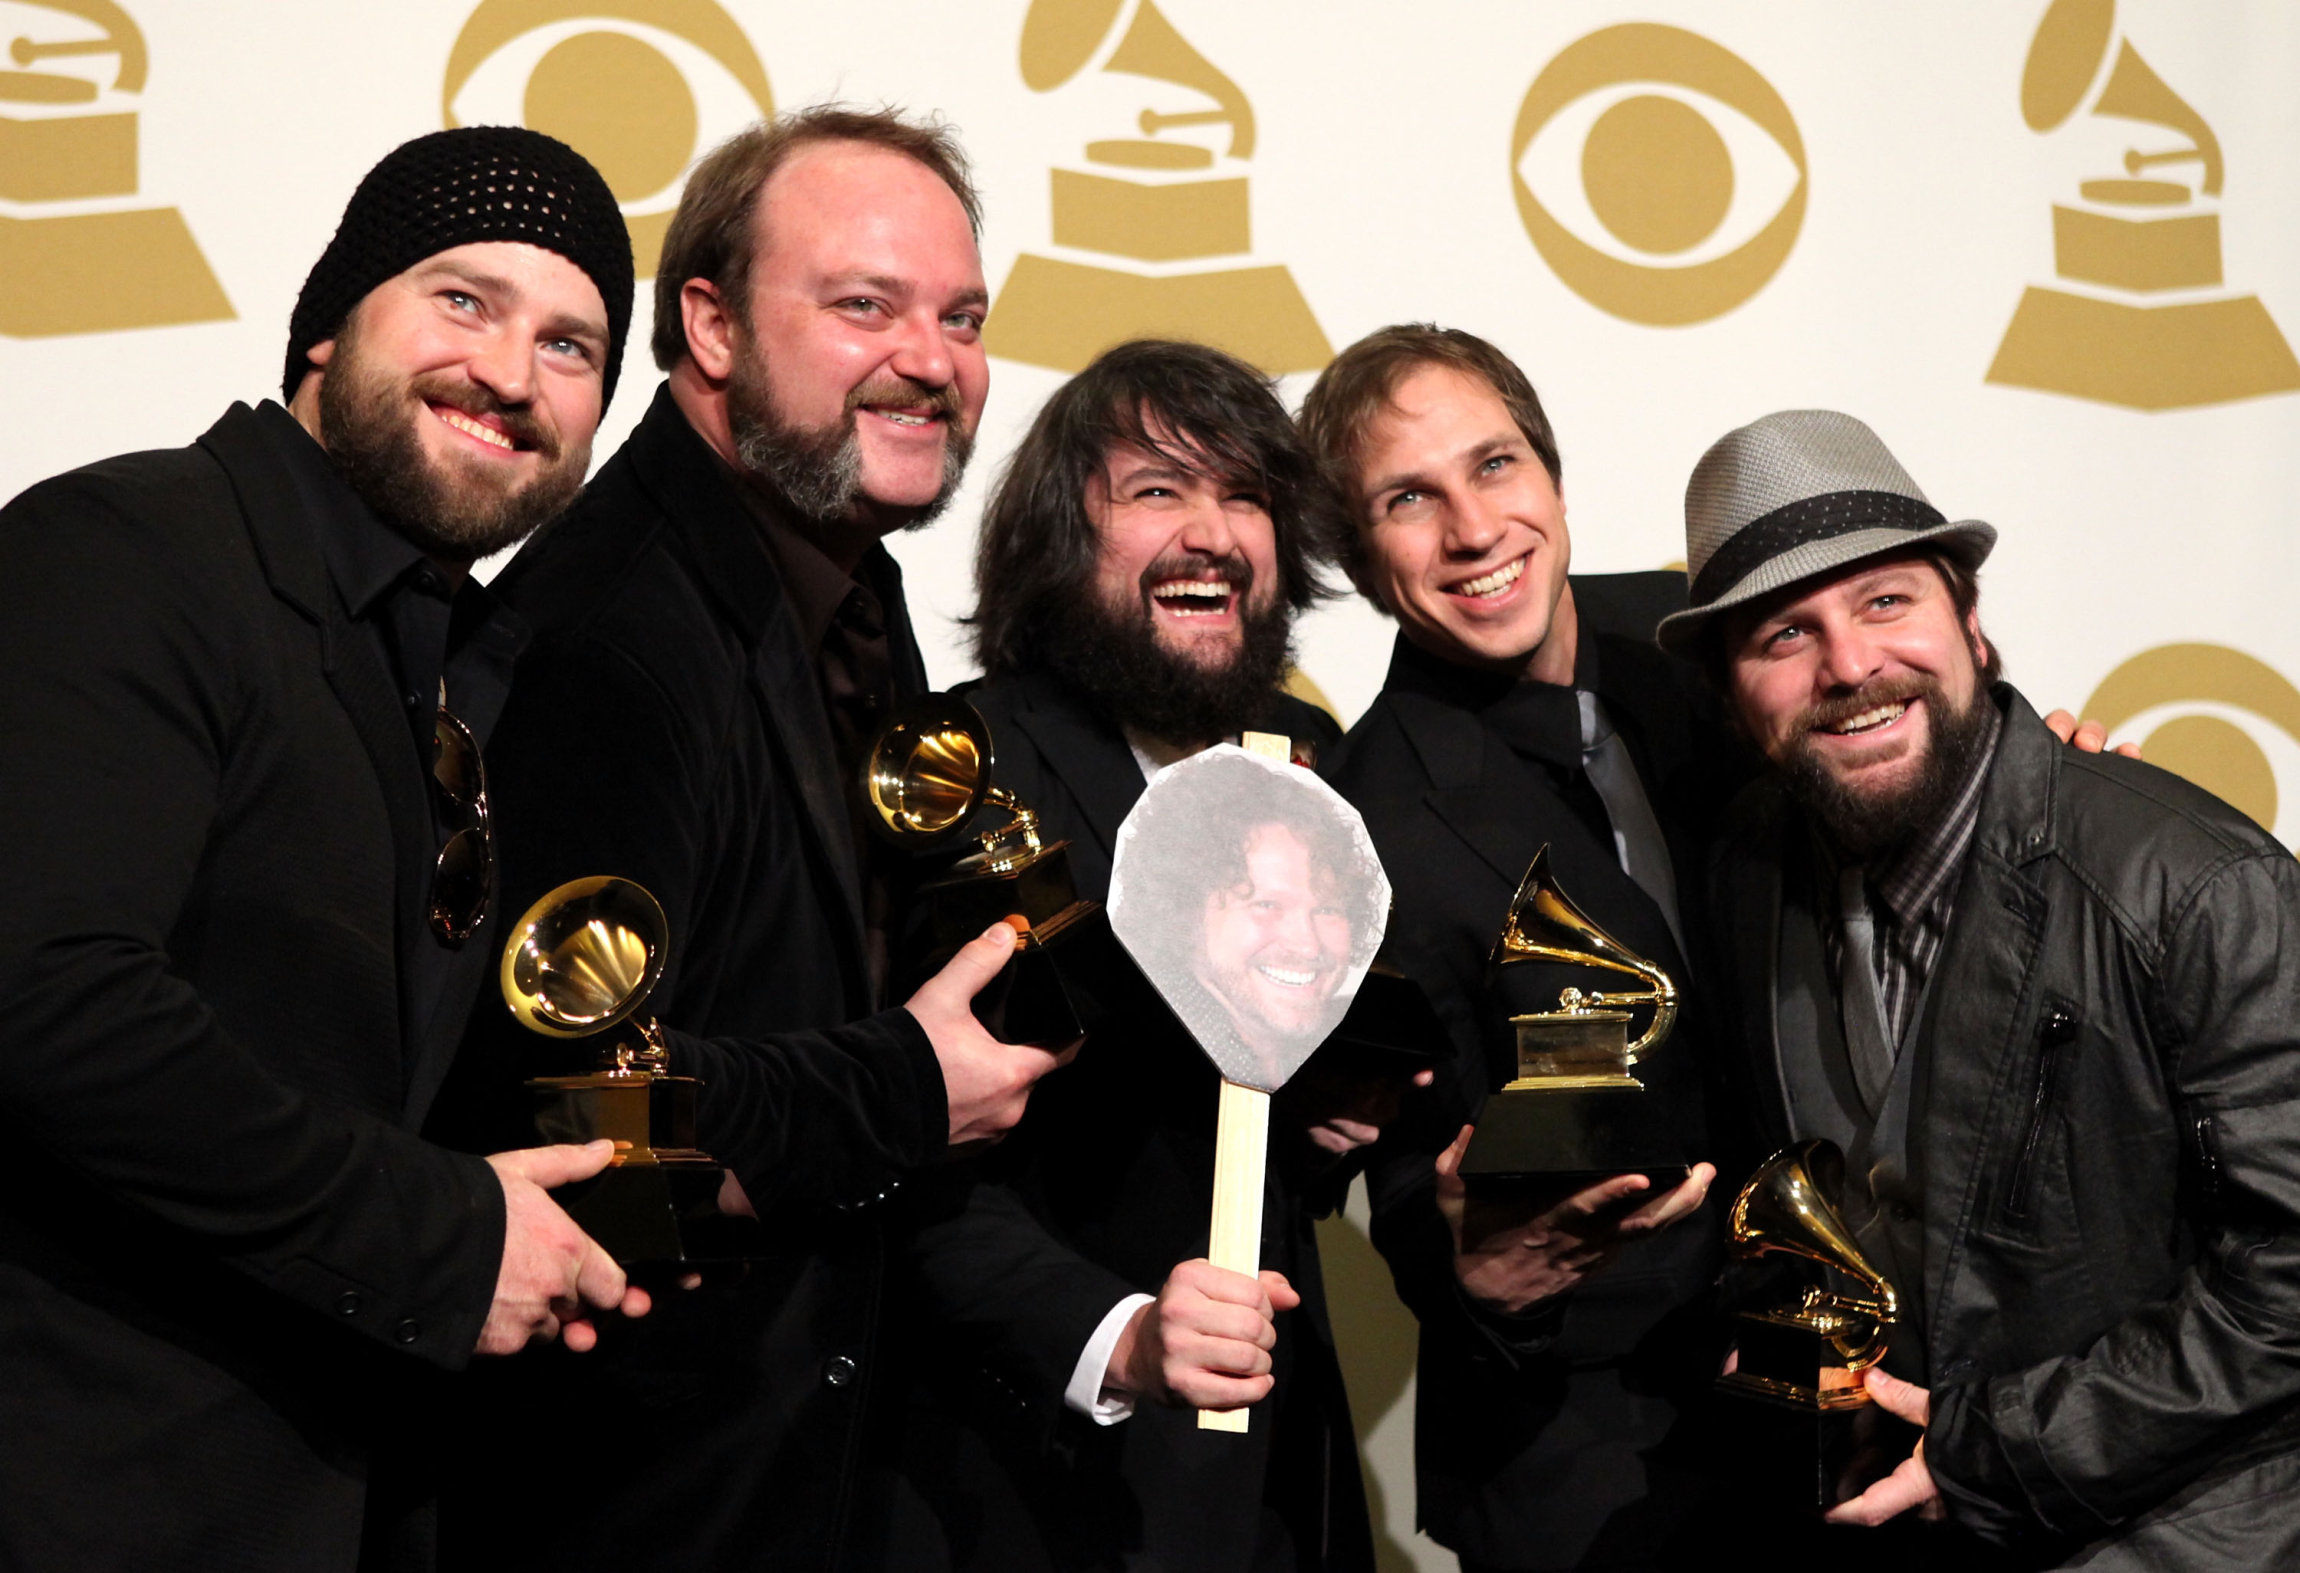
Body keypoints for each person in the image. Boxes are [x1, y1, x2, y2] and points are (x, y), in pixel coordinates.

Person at [429, 109, 1149, 1573]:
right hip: (636, 1499)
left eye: (960, 317)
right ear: (708, 323)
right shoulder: (611, 637)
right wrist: (902, 1085)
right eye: (863, 306)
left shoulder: (842, 581)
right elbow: (556, 1107)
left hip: (824, 1470)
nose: (932, 361)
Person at [0, 126, 648, 1571]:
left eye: (573, 346)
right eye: (462, 301)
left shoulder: (440, 669)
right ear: (323, 327)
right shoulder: (128, 549)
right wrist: (446, 1237)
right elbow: (45, 995)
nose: (510, 373)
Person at [1670, 409, 2300, 1568]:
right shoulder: (1744, 869)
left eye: (1884, 601)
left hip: (2180, 1537)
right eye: (1781, 633)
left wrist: (1998, 1449)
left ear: (1971, 621)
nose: (1849, 664)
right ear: (1729, 692)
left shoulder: (2192, 882)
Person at [873, 338, 1398, 1572]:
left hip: (1273, 1484)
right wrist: (1116, 1335)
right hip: (1029, 1491)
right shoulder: (959, 774)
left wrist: (1327, 1100)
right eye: (1157, 489)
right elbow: (894, 1151)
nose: (1211, 532)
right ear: (1063, 537)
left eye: (1245, 495)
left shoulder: (1299, 760)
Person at [1301, 326, 1733, 1572]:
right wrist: (1475, 1275)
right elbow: (1387, 1169)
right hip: (1579, 1457)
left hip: (1821, 1394)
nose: (1472, 528)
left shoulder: (1695, 638)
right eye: (1407, 499)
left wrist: (2038, 774)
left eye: (1494, 467)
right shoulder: (1359, 819)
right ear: (1354, 552)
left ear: (1549, 475)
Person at [1111, 747, 1386, 1091]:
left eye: (1328, 910)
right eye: (1267, 905)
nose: (1307, 944)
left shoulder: (1345, 1066)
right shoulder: (1134, 1081)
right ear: (1185, 912)